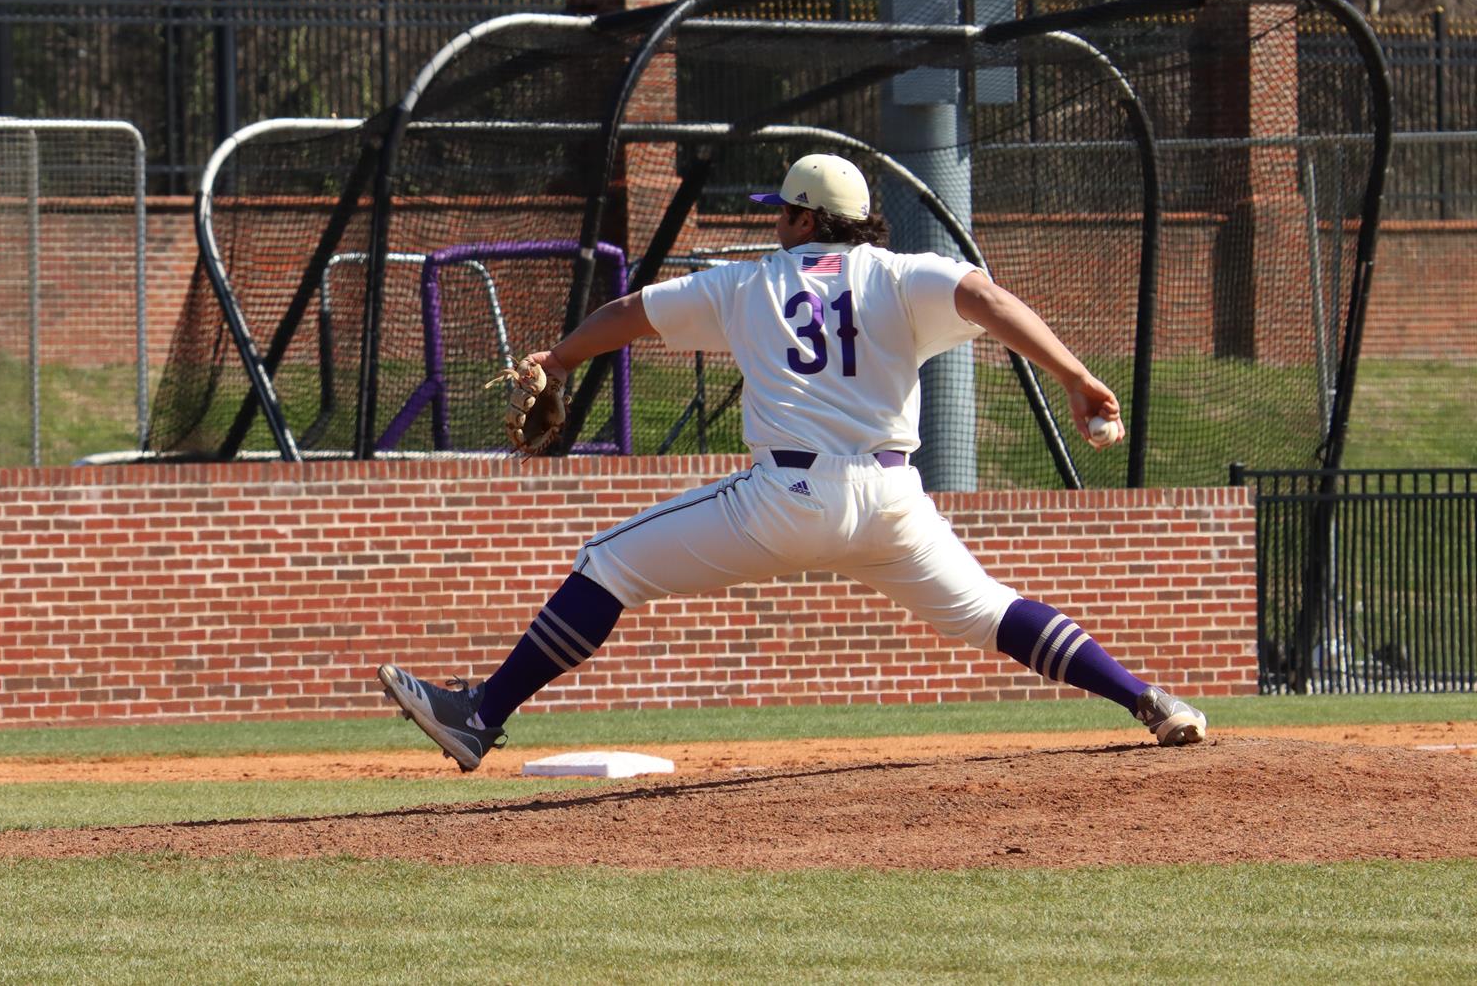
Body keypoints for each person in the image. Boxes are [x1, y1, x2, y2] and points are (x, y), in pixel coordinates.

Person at [377, 152, 1207, 771]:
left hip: (788, 495)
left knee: (609, 562)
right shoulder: (901, 274)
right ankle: (1148, 699)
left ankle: (481, 712)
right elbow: (985, 297)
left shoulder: (750, 283)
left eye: (785, 212)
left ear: (807, 220)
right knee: (991, 610)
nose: (778, 222)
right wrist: (1078, 377)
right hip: (891, 499)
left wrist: (556, 361)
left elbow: (631, 311)